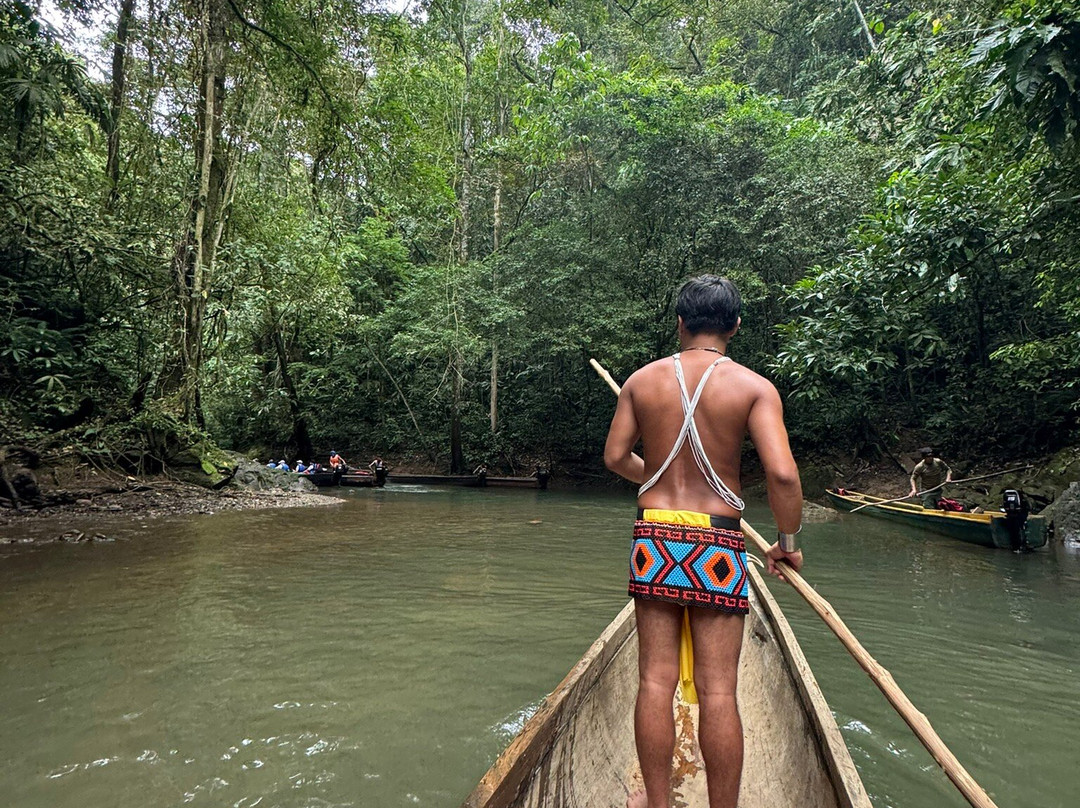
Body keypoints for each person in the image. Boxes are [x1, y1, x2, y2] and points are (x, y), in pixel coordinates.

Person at [603, 274, 804, 808]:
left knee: (653, 683)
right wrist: (785, 541)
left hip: (654, 539)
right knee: (719, 692)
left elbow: (617, 458)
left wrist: (660, 481)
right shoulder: (754, 387)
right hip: (717, 544)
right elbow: (782, 476)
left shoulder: (641, 382)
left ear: (679, 324)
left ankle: (658, 803)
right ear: (735, 326)